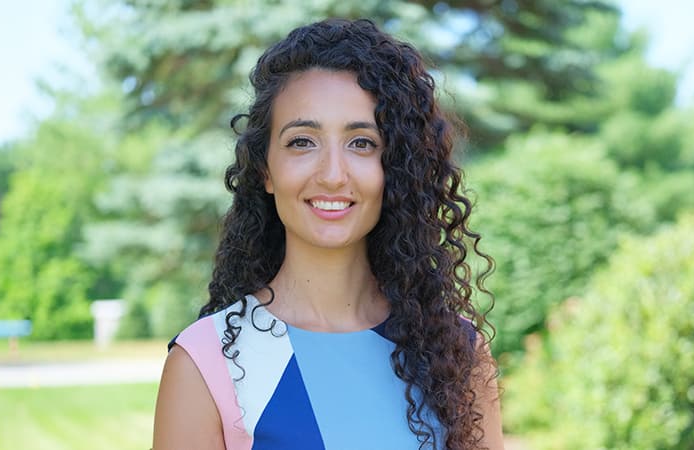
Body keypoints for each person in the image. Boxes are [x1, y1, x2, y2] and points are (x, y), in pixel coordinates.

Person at [152, 18, 502, 450]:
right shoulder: (206, 362)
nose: (333, 175)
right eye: (302, 141)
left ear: (393, 167)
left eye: (362, 143)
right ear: (265, 169)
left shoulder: (456, 352)